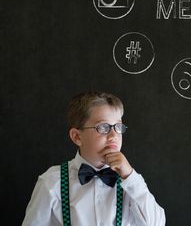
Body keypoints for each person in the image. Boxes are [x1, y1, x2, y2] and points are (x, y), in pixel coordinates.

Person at [22, 91, 166, 226]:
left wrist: (130, 176)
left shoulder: (130, 183)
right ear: (77, 136)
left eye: (118, 127)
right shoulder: (52, 181)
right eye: (103, 127)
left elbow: (156, 223)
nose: (113, 135)